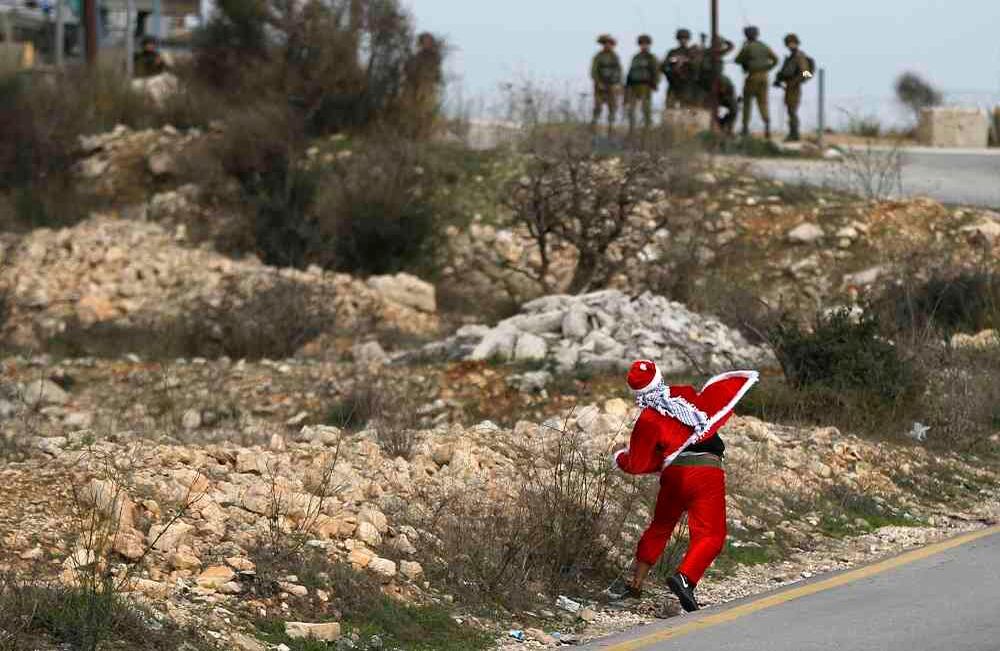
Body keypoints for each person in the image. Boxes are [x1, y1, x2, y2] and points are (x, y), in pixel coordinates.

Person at [610, 360, 758, 612]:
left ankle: (635, 583)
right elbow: (707, 408)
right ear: (659, 377)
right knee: (711, 534)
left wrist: (618, 456)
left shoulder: (647, 419)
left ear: (636, 391)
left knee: (660, 526)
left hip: (674, 474)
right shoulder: (685, 394)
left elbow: (638, 463)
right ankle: (685, 578)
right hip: (706, 471)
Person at [734, 26, 778, 138]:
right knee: (763, 103)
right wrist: (767, 68)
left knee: (747, 103)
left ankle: (745, 129)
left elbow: (737, 60)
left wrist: (743, 46)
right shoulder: (764, 46)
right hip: (764, 77)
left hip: (752, 77)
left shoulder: (748, 47)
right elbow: (776, 60)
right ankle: (767, 124)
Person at [774, 33, 814, 142]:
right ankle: (793, 133)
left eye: (791, 43)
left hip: (794, 86)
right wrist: (779, 79)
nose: (789, 45)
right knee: (790, 110)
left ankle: (794, 134)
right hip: (789, 85)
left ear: (796, 43)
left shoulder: (799, 56)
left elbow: (805, 72)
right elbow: (786, 72)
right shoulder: (791, 57)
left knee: (792, 110)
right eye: (788, 44)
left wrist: (797, 81)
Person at [404, 32, 444, 138]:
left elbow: (436, 75)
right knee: (413, 113)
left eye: (428, 42)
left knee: (426, 114)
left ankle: (423, 137)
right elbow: (409, 71)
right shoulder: (417, 57)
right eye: (424, 42)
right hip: (414, 88)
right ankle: (414, 135)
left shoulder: (434, 58)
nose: (426, 44)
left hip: (427, 89)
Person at [625, 34, 660, 135]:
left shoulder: (652, 58)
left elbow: (656, 72)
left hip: (646, 86)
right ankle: (631, 131)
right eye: (642, 44)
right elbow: (630, 72)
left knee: (646, 110)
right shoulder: (635, 57)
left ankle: (647, 132)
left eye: (646, 44)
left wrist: (655, 84)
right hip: (633, 87)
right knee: (631, 110)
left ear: (649, 45)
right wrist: (627, 86)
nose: (644, 46)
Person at [591, 34, 623, 137]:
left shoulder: (615, 57)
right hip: (600, 87)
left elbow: (619, 72)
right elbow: (593, 71)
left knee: (612, 109)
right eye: (605, 43)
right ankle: (594, 129)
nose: (607, 45)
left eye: (609, 43)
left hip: (612, 87)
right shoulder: (598, 57)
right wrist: (598, 83)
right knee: (598, 108)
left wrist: (618, 85)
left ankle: (611, 131)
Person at [662, 29, 698, 108]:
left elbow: (696, 68)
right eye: (681, 38)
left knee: (686, 108)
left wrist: (688, 62)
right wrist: (670, 73)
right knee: (670, 107)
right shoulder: (672, 52)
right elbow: (664, 66)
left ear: (688, 39)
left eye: (685, 38)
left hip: (686, 85)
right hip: (673, 83)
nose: (683, 40)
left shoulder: (692, 52)